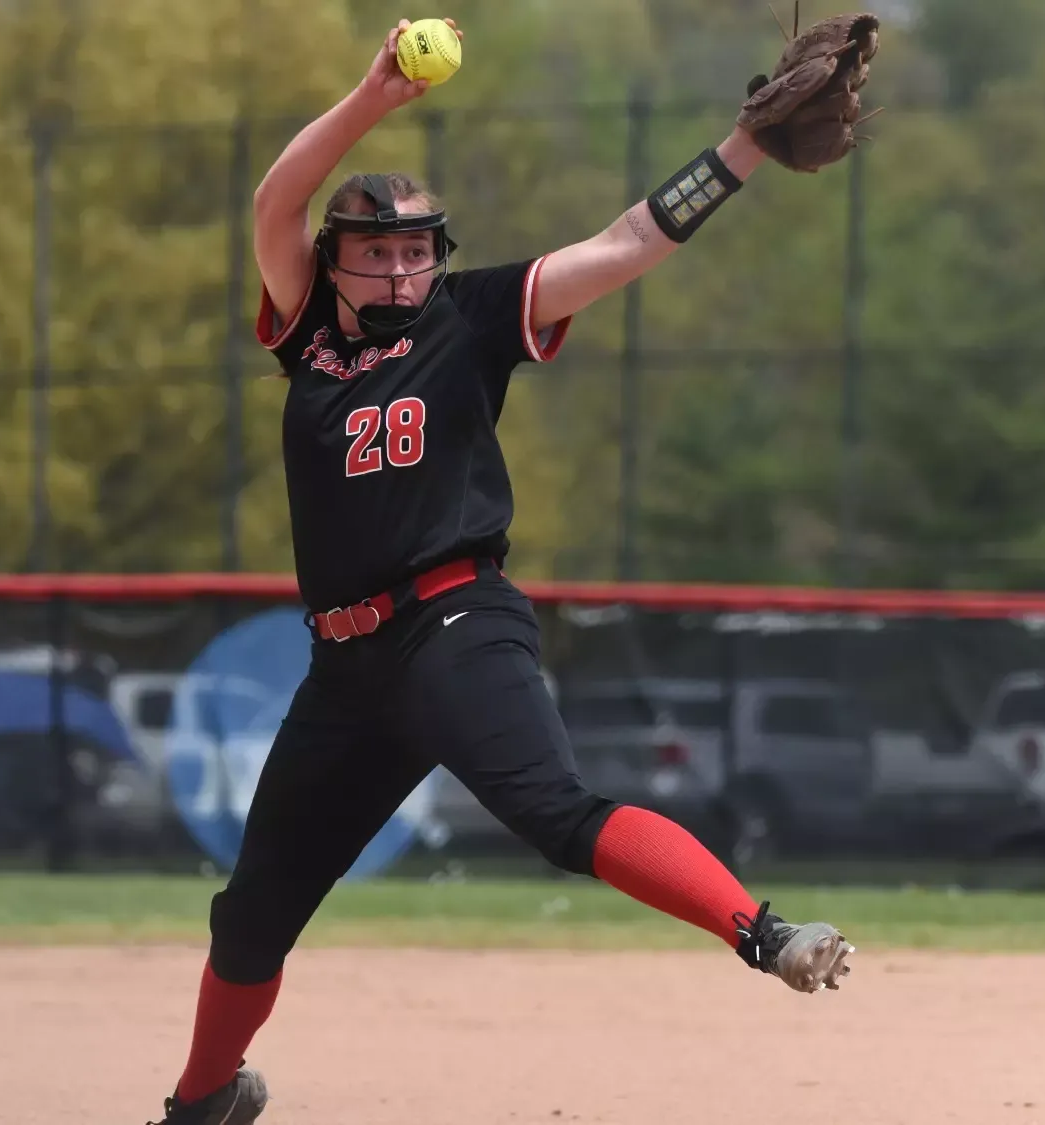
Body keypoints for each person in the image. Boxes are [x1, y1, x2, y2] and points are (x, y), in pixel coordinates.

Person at [144, 15, 872, 1125]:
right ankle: (201, 1103)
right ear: (332, 265)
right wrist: (371, 101)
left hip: (453, 622)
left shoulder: (471, 315)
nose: (399, 266)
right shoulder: (306, 338)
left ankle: (763, 933)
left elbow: (626, 242)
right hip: (341, 671)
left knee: (552, 811)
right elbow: (273, 202)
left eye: (414, 248)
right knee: (250, 915)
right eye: (375, 251)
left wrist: (740, 152)